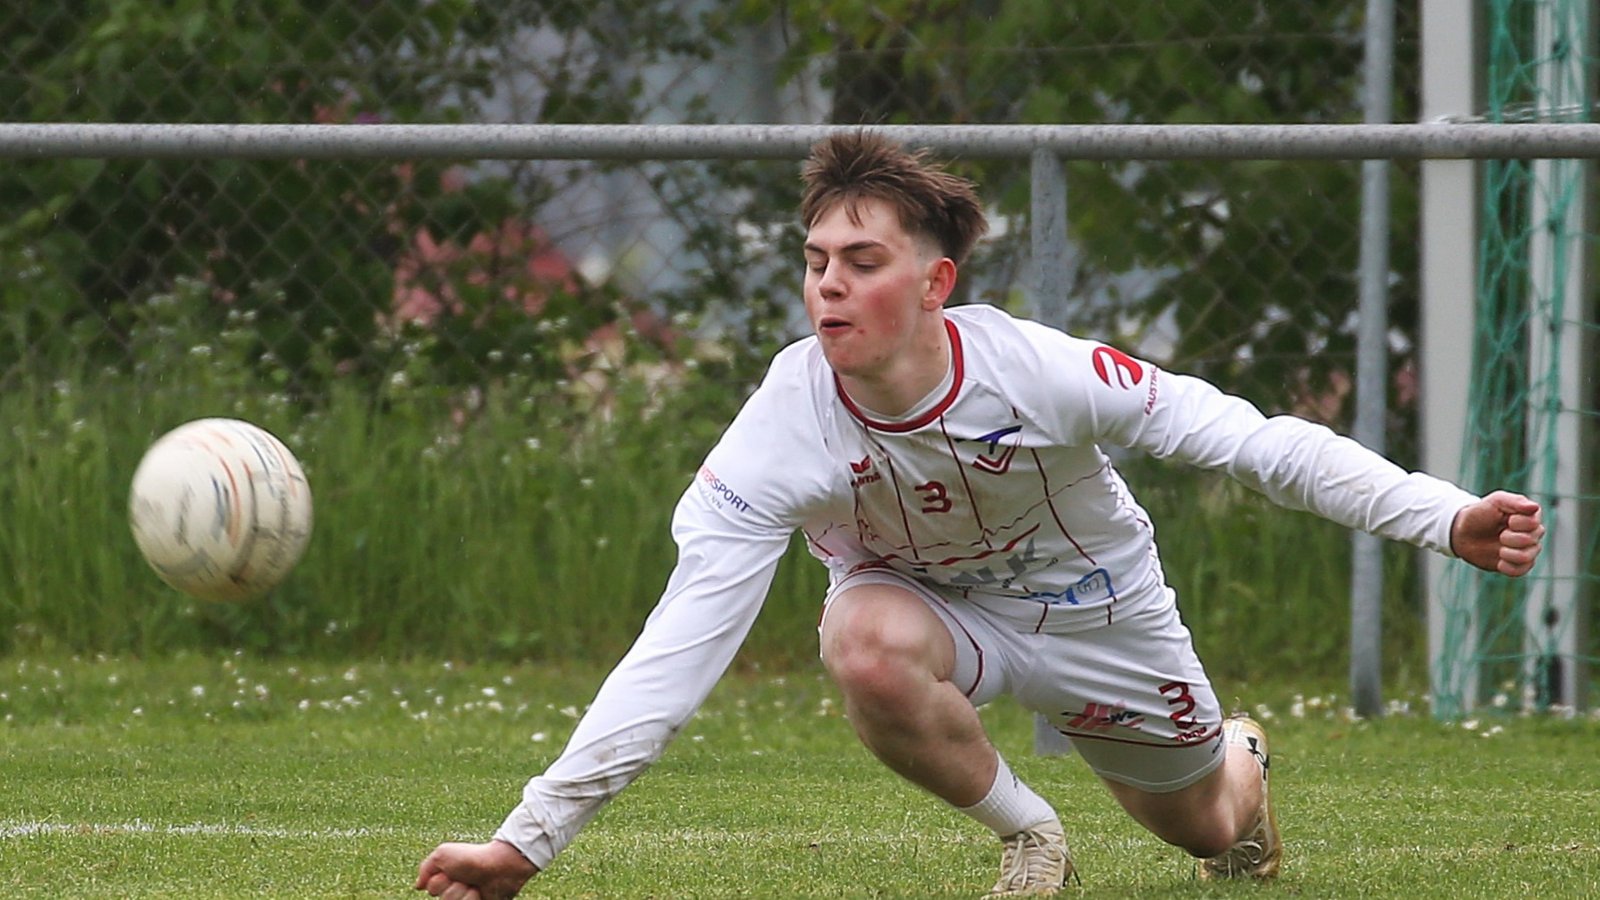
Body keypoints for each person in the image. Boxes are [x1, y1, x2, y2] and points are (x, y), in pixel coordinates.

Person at [415, 131, 1546, 898]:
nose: (829, 287)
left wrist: (1438, 516)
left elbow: (1246, 437)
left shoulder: (1039, 372)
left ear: (934, 284)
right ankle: (1027, 833)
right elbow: (674, 649)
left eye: (862, 262)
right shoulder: (780, 426)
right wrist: (528, 842)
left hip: (1099, 614)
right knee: (859, 642)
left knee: (1205, 828)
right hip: (925, 614)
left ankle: (1241, 756)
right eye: (815, 263)